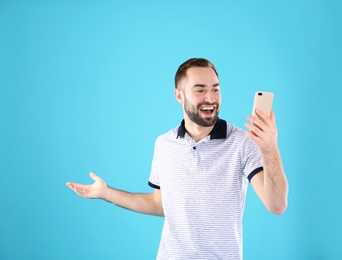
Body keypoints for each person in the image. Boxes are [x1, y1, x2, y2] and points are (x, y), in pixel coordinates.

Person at [66, 58, 288, 259]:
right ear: (179, 95)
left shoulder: (242, 143)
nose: (210, 98)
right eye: (200, 90)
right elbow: (160, 204)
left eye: (215, 90)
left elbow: (276, 205)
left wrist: (269, 148)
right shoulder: (164, 144)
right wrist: (106, 193)